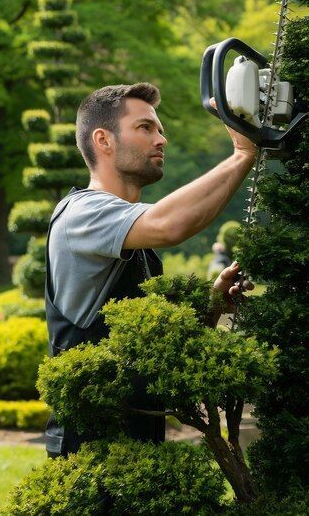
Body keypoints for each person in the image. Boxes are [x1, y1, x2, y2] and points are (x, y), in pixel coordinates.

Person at [45, 82, 256, 458]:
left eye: (159, 129)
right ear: (103, 140)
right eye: (145, 128)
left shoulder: (131, 234)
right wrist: (242, 153)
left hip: (141, 447)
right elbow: (171, 224)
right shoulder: (83, 214)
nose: (162, 139)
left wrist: (212, 304)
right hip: (92, 454)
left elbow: (152, 347)